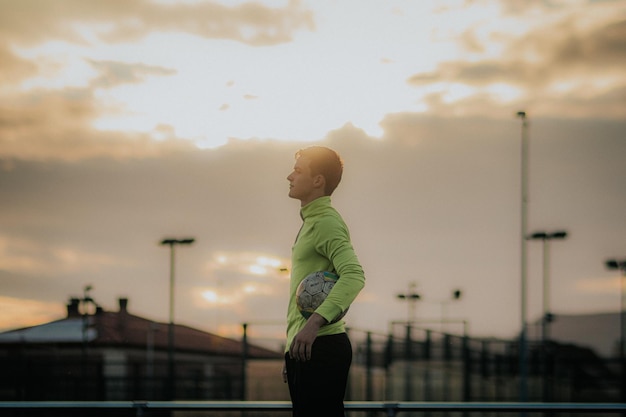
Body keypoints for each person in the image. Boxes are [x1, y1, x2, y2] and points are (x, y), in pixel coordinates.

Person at [282, 146, 365, 417]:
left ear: (318, 180)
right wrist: (293, 344)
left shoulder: (326, 222)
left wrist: (313, 325)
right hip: (307, 347)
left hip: (323, 345)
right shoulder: (311, 222)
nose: (289, 177)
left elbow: (354, 275)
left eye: (297, 170)